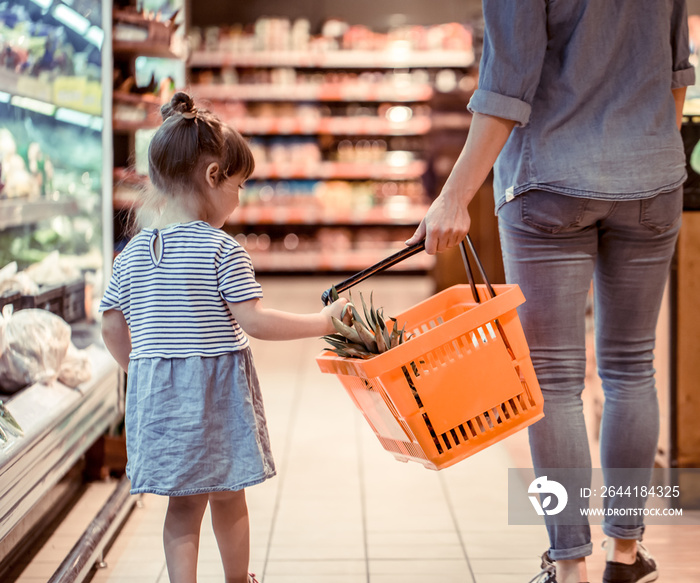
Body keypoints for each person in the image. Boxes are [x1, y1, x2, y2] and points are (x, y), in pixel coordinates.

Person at [407, 2, 694, 583]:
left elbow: (505, 90)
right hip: (653, 180)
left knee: (555, 381)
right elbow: (675, 76)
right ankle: (627, 555)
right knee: (631, 369)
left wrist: (454, 195)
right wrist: (642, 155)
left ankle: (569, 566)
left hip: (551, 180)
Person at [100, 92, 349, 583]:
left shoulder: (130, 256)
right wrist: (322, 323)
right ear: (214, 177)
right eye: (239, 184)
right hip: (214, 394)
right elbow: (254, 321)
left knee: (182, 504)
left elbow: (111, 324)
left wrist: (143, 367)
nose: (240, 196)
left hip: (159, 394)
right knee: (229, 494)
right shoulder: (220, 248)